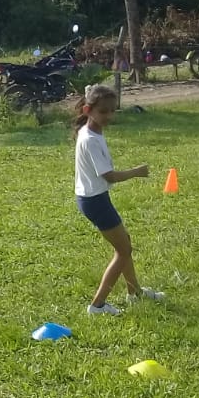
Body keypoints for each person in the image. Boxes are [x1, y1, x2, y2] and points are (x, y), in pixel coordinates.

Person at [73, 83, 165, 316]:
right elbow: (109, 176)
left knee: (124, 245)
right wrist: (137, 172)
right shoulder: (90, 139)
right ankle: (97, 305)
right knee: (123, 250)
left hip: (93, 197)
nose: (109, 116)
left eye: (112, 110)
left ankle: (134, 292)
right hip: (95, 201)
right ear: (88, 110)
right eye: (103, 111)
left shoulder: (91, 130)